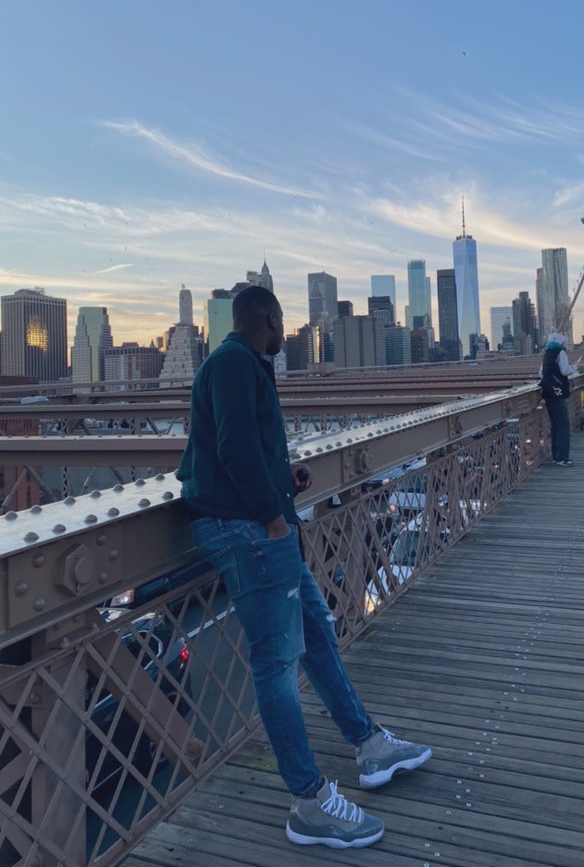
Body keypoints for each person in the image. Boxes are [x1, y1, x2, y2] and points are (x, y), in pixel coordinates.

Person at [176, 286, 431, 848]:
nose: (280, 331)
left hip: (258, 522)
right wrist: (270, 514)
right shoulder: (234, 364)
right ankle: (309, 801)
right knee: (275, 663)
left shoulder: (241, 364)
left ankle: (369, 746)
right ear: (269, 319)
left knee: (317, 634)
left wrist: (281, 482)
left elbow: (245, 449)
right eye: (279, 323)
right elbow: (234, 447)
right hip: (246, 530)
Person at [540, 332, 576, 466]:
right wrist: (574, 368)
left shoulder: (547, 353)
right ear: (561, 343)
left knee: (555, 425)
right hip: (558, 392)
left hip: (548, 392)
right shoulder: (560, 352)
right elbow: (565, 371)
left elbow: (541, 373)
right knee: (563, 425)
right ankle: (563, 458)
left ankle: (556, 456)